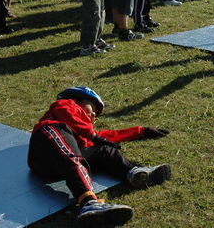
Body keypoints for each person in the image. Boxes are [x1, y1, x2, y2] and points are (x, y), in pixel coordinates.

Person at [28, 86, 171, 227]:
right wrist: (93, 135)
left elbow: (108, 136)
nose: (94, 115)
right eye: (93, 107)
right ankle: (89, 203)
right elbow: (67, 114)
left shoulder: (81, 133)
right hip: (45, 150)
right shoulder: (65, 105)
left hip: (57, 168)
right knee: (72, 157)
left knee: (104, 150)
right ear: (77, 100)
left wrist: (141, 131)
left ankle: (135, 172)